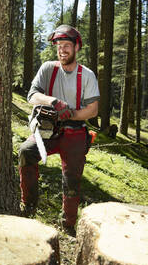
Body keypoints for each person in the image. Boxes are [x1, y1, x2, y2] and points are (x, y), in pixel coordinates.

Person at [18, 24, 100, 236]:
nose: (62, 50)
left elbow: (92, 110)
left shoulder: (87, 75)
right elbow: (32, 95)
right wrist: (54, 102)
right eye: (59, 46)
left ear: (76, 47)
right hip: (48, 130)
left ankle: (68, 223)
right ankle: (29, 205)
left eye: (66, 46)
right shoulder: (48, 68)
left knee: (71, 178)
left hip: (75, 132)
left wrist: (71, 113)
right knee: (26, 152)